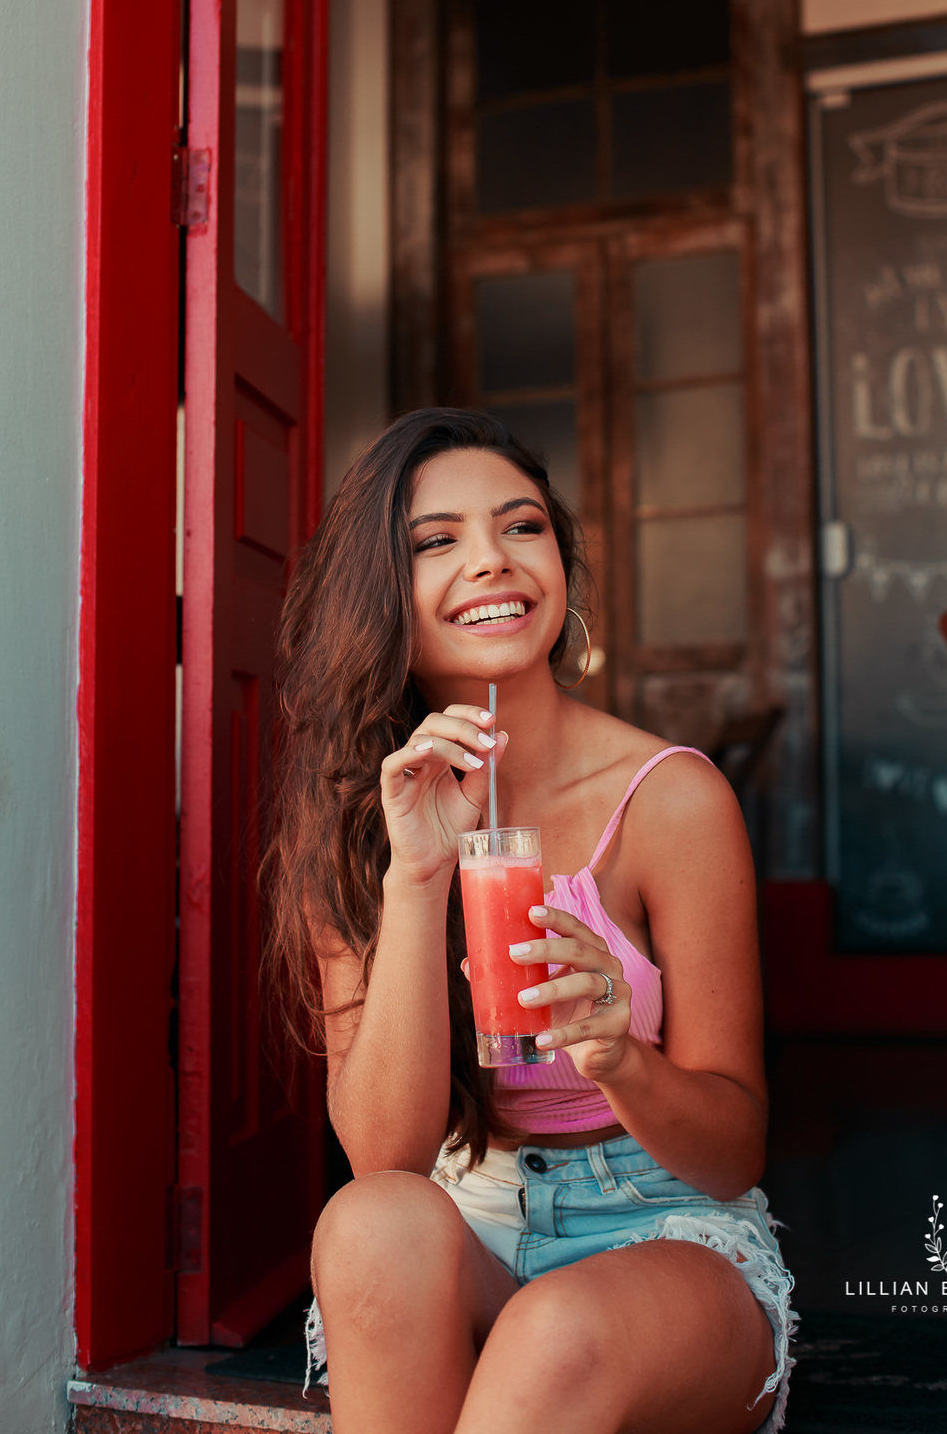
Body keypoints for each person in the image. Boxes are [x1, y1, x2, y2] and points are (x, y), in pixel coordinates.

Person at [268, 408, 798, 1434]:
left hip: (668, 1232)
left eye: (522, 526)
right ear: (380, 595)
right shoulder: (359, 825)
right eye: (437, 541)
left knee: (553, 1333)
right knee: (369, 1223)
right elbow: (385, 1155)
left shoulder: (671, 801)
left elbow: (736, 1150)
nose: (492, 560)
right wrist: (417, 878)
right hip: (477, 1221)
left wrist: (620, 1057)